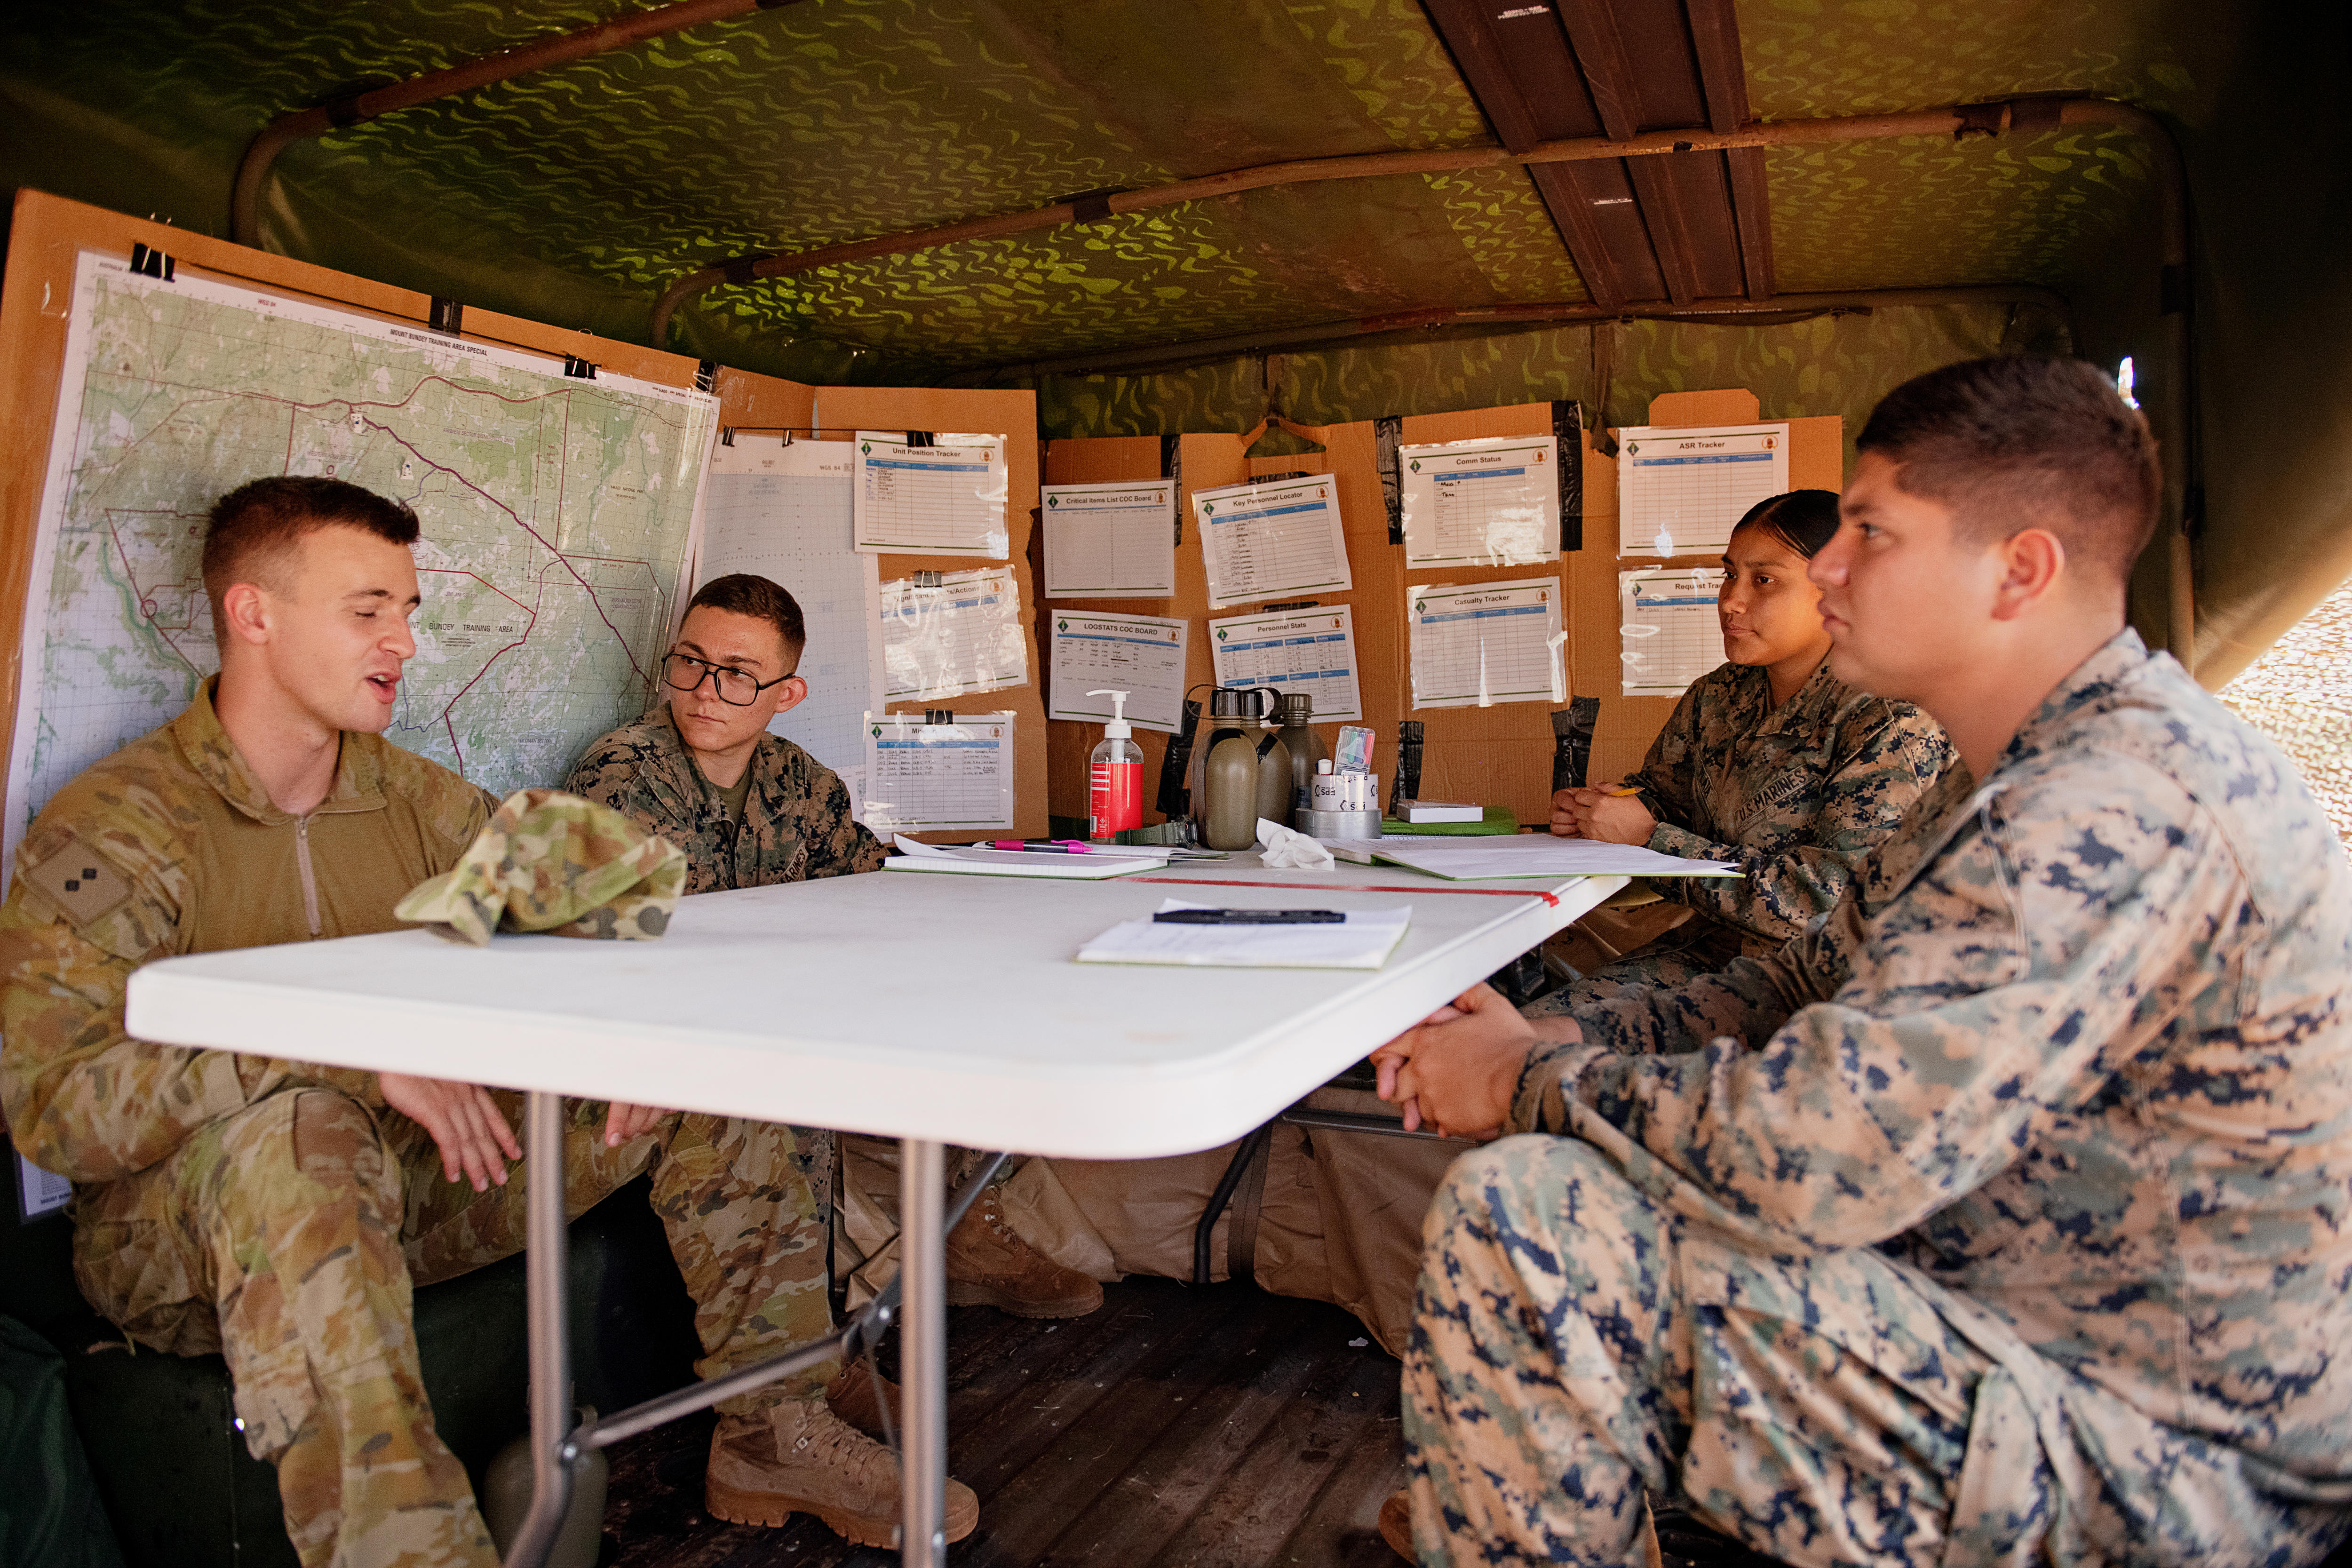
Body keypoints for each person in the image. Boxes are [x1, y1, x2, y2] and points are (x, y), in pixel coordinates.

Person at [1370, 358, 2352, 1567]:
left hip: (2163, 1455)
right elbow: (1794, 981)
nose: (1831, 566)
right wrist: (1559, 1041)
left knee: (1527, 1220)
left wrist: (1520, 1084)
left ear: (2020, 571)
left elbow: (1821, 1157)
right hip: (2023, 1324)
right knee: (1573, 1161)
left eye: (1872, 533)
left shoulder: (2114, 802)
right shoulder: (1999, 781)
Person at [0, 477, 976, 1565]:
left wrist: (631, 1021)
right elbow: (57, 1110)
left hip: (421, 1176)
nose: (403, 642)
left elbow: (620, 911)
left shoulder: (413, 801)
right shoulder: (124, 824)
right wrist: (345, 1058)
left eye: (408, 611)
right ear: (254, 614)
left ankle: (771, 1431)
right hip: (184, 1237)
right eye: (368, 611)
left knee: (705, 1077)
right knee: (302, 1138)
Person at [563, 573, 1103, 1329]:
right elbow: (657, 954)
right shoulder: (624, 776)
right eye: (690, 663)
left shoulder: (798, 781)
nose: (706, 691)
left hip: (787, 1005)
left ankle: (962, 1230)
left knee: (963, 1017)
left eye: (739, 675)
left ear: (788, 692)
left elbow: (866, 890)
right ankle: (809, 1350)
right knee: (788, 1109)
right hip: (678, 1027)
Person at [1542, 489, 1953, 1004]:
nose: (1731, 601)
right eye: (1729, 574)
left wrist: (1649, 839)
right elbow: (1665, 800)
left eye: (1764, 580)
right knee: (1535, 1027)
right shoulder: (1719, 695)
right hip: (1718, 953)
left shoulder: (1890, 716)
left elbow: (1829, 900)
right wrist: (1600, 811)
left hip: (1836, 985)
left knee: (1556, 1046)